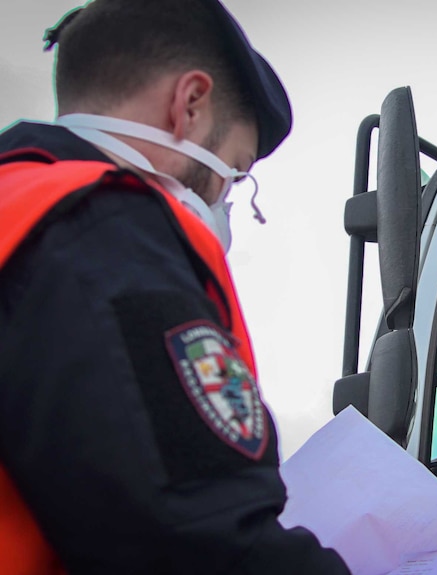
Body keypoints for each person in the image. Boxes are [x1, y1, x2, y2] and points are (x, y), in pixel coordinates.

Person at [0, 1, 349, 573]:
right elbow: (198, 539)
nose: (222, 202)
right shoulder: (102, 229)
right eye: (232, 173)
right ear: (188, 105)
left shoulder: (17, 209)